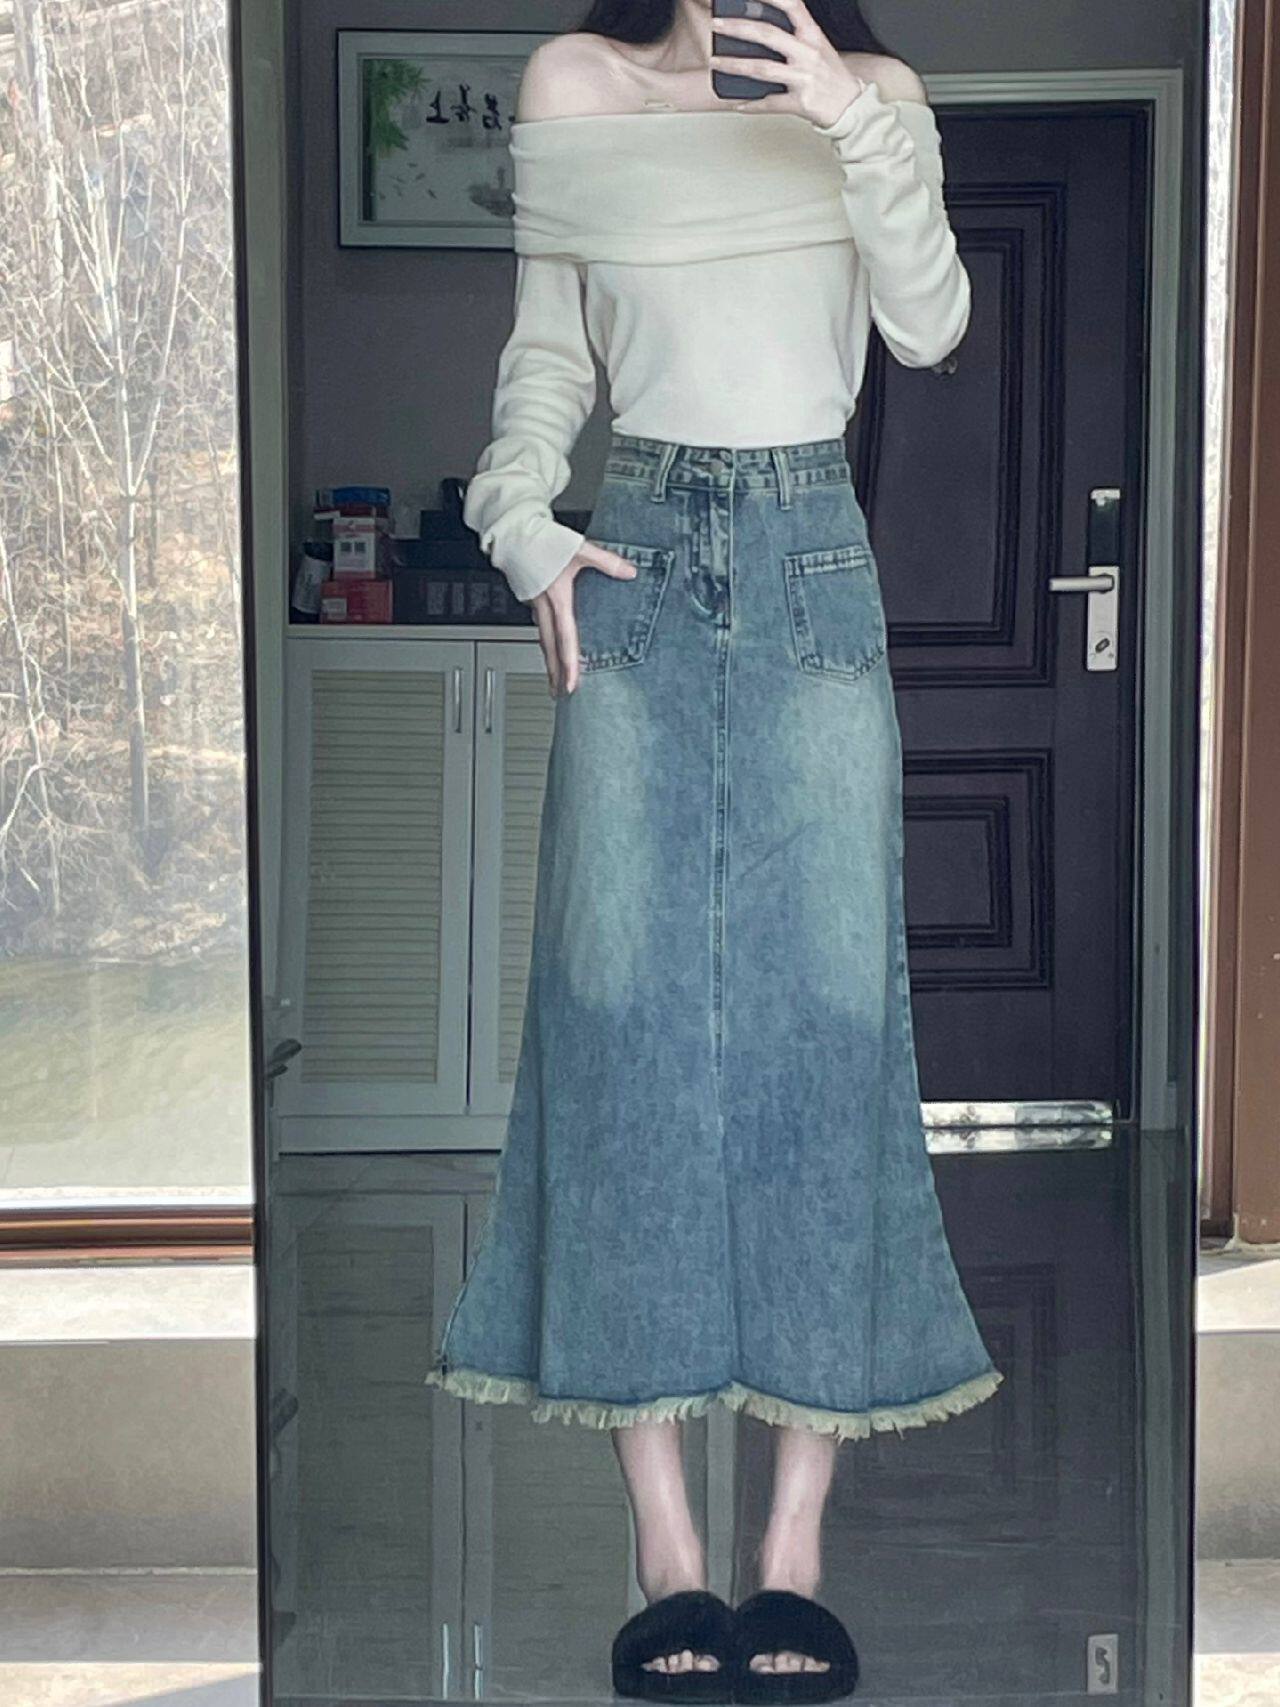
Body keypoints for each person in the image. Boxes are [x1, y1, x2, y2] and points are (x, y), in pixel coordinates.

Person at [425, 2, 1004, 1697]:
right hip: (640, 558)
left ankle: (793, 1552)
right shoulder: (577, 83)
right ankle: (667, 1548)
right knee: (621, 1024)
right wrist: (521, 522)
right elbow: (549, 354)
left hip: (817, 554)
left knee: (829, 1029)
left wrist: (847, 115)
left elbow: (933, 322)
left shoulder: (872, 96)